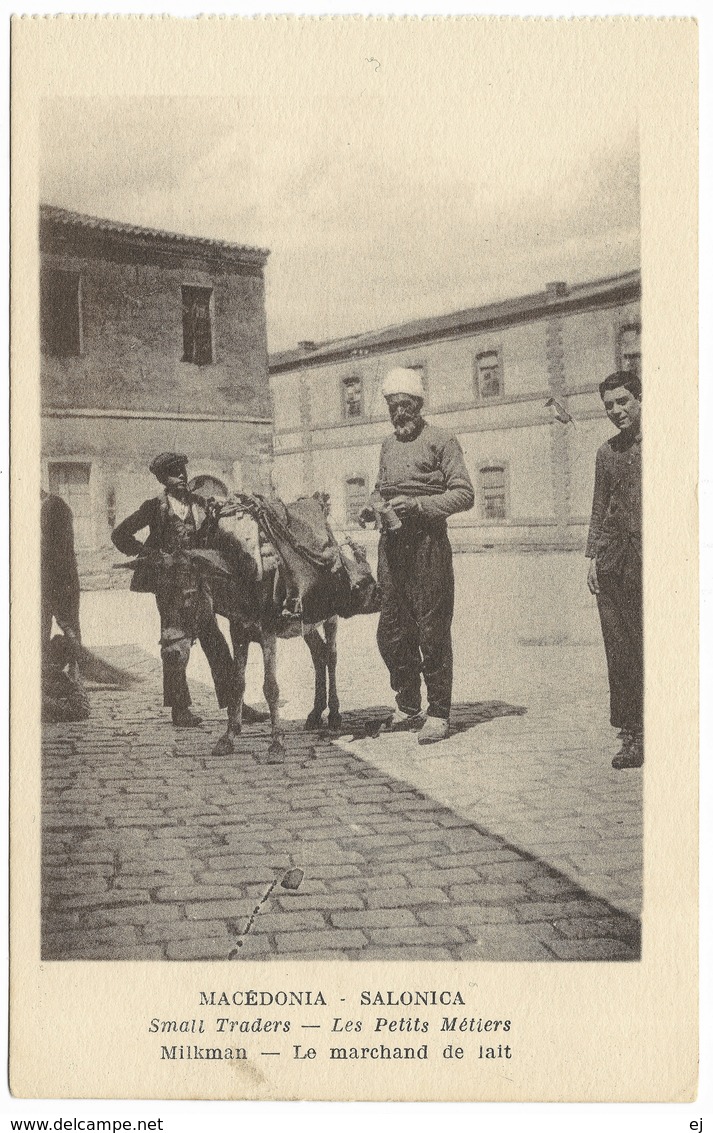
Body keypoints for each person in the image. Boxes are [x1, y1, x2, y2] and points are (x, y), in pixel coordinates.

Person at [360, 367, 475, 744]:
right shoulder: (388, 445)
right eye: (392, 408)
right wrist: (371, 506)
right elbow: (380, 489)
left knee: (432, 630)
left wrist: (421, 505)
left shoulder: (442, 440)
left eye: (405, 406)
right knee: (391, 631)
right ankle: (408, 704)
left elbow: (464, 494)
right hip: (391, 547)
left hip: (428, 544)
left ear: (419, 405)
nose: (399, 415)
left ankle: (439, 712)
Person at [111, 452, 235, 728]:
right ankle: (180, 710)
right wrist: (150, 554)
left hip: (199, 583)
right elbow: (119, 535)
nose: (180, 475)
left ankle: (236, 705)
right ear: (162, 479)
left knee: (215, 642)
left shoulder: (200, 504)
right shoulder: (154, 507)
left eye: (182, 470)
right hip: (170, 587)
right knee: (174, 646)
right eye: (173, 472)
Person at [586, 370, 643, 769]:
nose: (616, 411)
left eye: (623, 401)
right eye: (609, 405)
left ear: (640, 398)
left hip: (657, 560)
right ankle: (632, 735)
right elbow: (598, 506)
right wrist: (592, 558)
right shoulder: (606, 453)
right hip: (613, 562)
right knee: (620, 652)